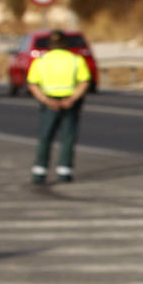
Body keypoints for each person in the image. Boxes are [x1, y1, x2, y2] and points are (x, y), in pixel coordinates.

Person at [26, 29, 91, 184]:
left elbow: (33, 85)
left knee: (45, 137)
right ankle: (65, 171)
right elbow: (84, 82)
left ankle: (39, 172)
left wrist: (47, 101)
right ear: (65, 44)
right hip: (70, 103)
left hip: (49, 103)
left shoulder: (41, 61)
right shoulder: (76, 60)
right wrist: (72, 99)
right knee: (68, 137)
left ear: (50, 44)